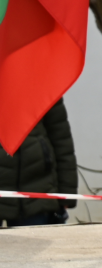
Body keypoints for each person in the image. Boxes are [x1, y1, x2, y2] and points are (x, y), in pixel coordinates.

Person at [0, 96, 76, 227]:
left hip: (37, 191)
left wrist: (67, 193)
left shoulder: (42, 87)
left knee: (35, 240)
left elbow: (61, 141)